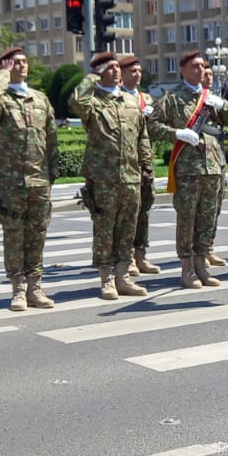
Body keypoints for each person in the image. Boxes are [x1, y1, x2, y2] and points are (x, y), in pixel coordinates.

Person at [151, 49, 228, 289]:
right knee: (187, 220)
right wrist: (176, 133)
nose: (199, 70)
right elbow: (152, 126)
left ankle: (202, 266)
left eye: (202, 66)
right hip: (188, 170)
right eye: (194, 66)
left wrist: (224, 105)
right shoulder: (172, 98)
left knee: (207, 220)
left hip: (213, 168)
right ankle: (187, 269)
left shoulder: (210, 98)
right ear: (183, 70)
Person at [0, 45, 59, 311]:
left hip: (39, 180)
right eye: (15, 62)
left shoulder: (40, 98)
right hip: (11, 181)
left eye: (24, 61)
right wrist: (2, 76)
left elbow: (51, 138)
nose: (22, 66)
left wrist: (52, 174)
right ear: (5, 66)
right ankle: (18, 289)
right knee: (14, 234)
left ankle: (35, 287)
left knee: (37, 234)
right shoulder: (2, 99)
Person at [71, 50, 151, 301]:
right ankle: (107, 278)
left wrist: (146, 166)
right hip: (103, 179)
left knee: (127, 230)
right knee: (105, 230)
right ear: (99, 73)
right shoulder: (93, 102)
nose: (116, 71)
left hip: (131, 177)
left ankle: (123, 276)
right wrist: (91, 76)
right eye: (109, 68)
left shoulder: (130, 102)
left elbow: (142, 137)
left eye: (117, 67)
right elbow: (75, 101)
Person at [118, 55, 162, 275]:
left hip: (144, 161)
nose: (137, 75)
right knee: (127, 213)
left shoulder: (146, 99)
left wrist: (152, 118)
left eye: (139, 71)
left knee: (144, 209)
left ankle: (141, 255)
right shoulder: (119, 98)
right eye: (132, 71)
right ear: (122, 74)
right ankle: (126, 257)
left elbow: (156, 129)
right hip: (125, 164)